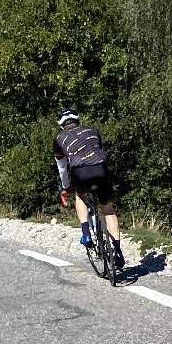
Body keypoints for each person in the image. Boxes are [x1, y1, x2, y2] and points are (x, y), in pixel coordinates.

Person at [54, 109, 123, 269]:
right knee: (108, 209)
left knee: (80, 196)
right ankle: (118, 251)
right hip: (101, 169)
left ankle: (86, 234)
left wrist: (66, 187)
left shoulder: (59, 138)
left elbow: (62, 168)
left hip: (81, 171)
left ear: (61, 125)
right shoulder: (92, 130)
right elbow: (98, 151)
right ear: (78, 120)